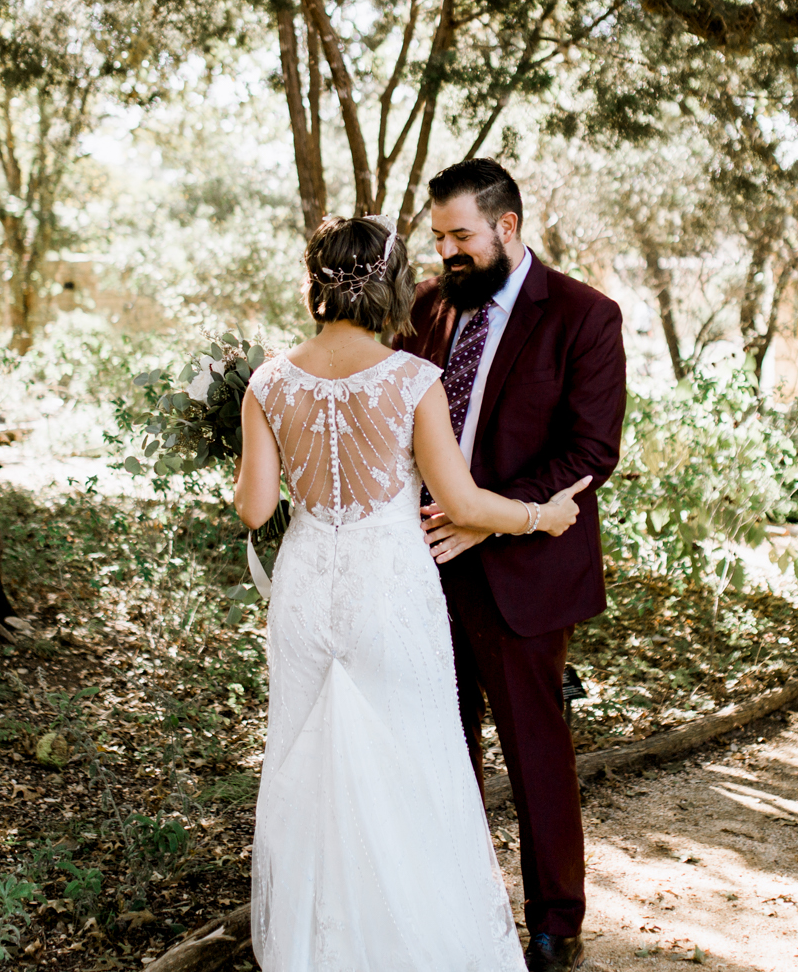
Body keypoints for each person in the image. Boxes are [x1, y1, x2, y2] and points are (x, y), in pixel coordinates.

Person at [233, 213, 593, 972]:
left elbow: (255, 509)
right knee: (413, 762)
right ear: (394, 286)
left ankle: (320, 947)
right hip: (389, 589)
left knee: (308, 762)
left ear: (313, 285)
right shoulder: (413, 380)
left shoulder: (267, 381)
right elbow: (460, 503)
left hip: (306, 591)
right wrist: (541, 513)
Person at [394, 158, 628, 972]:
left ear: (508, 227)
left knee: (535, 753)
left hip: (523, 569)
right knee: (436, 746)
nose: (449, 252)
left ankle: (556, 924)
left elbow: (591, 451)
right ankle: (452, 911)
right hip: (420, 566)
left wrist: (486, 521)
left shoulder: (584, 316)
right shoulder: (427, 307)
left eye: (462, 236)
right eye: (439, 238)